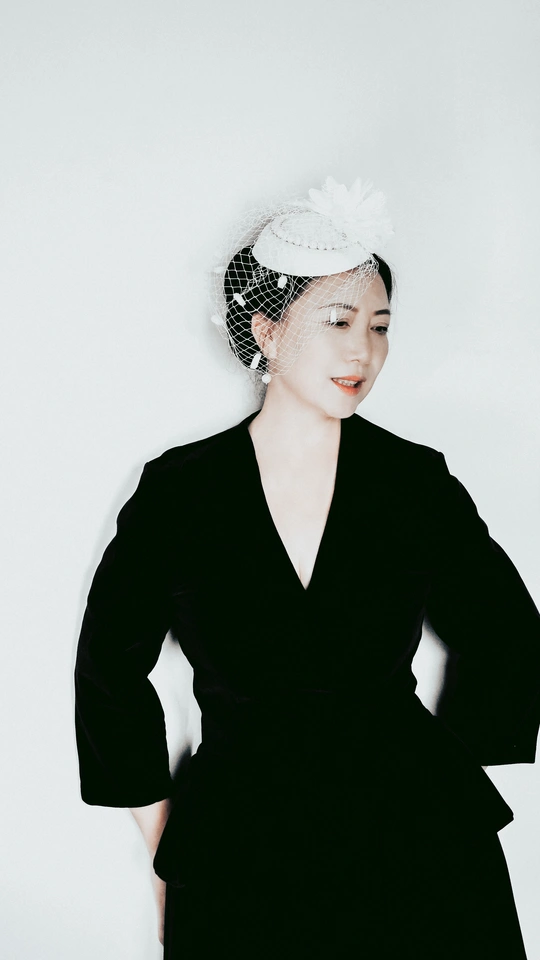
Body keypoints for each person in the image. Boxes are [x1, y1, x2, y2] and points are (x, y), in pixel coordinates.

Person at [74, 176, 540, 959]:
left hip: (418, 842)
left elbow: (507, 634)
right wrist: (164, 847)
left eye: (380, 326)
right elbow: (108, 669)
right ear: (267, 327)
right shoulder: (181, 492)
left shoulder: (413, 482)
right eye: (338, 320)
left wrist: (438, 783)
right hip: (240, 843)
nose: (364, 350)